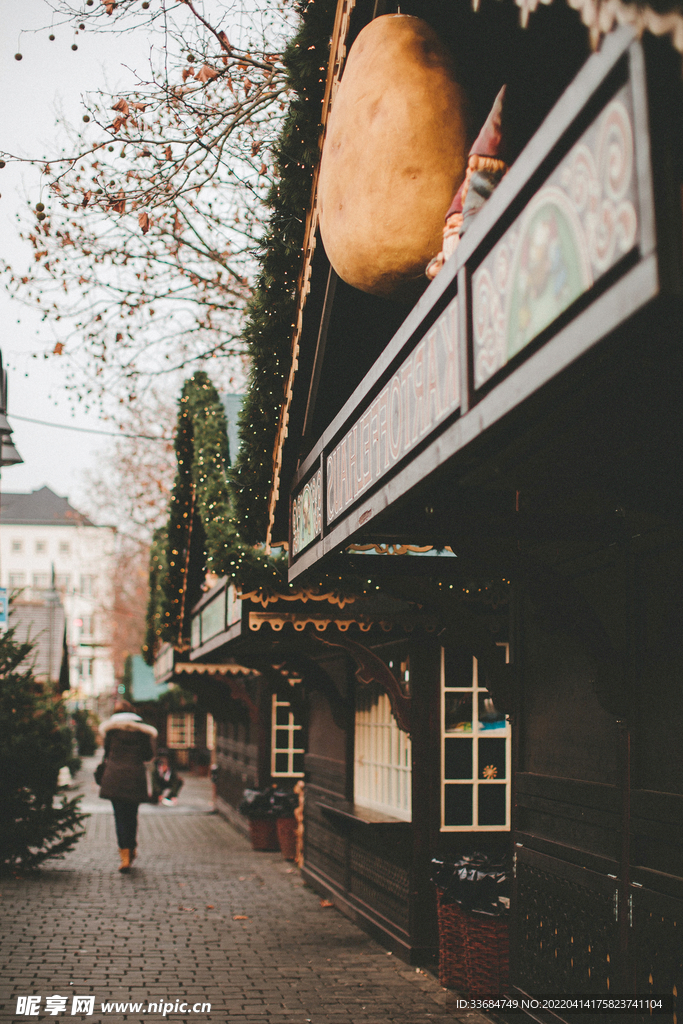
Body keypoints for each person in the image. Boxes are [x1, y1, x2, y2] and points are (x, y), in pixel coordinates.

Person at [98, 698, 157, 872]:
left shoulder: (111, 733)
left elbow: (106, 753)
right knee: (132, 816)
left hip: (114, 778)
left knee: (119, 817)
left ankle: (124, 855)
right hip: (135, 778)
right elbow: (148, 756)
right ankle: (131, 848)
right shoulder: (143, 733)